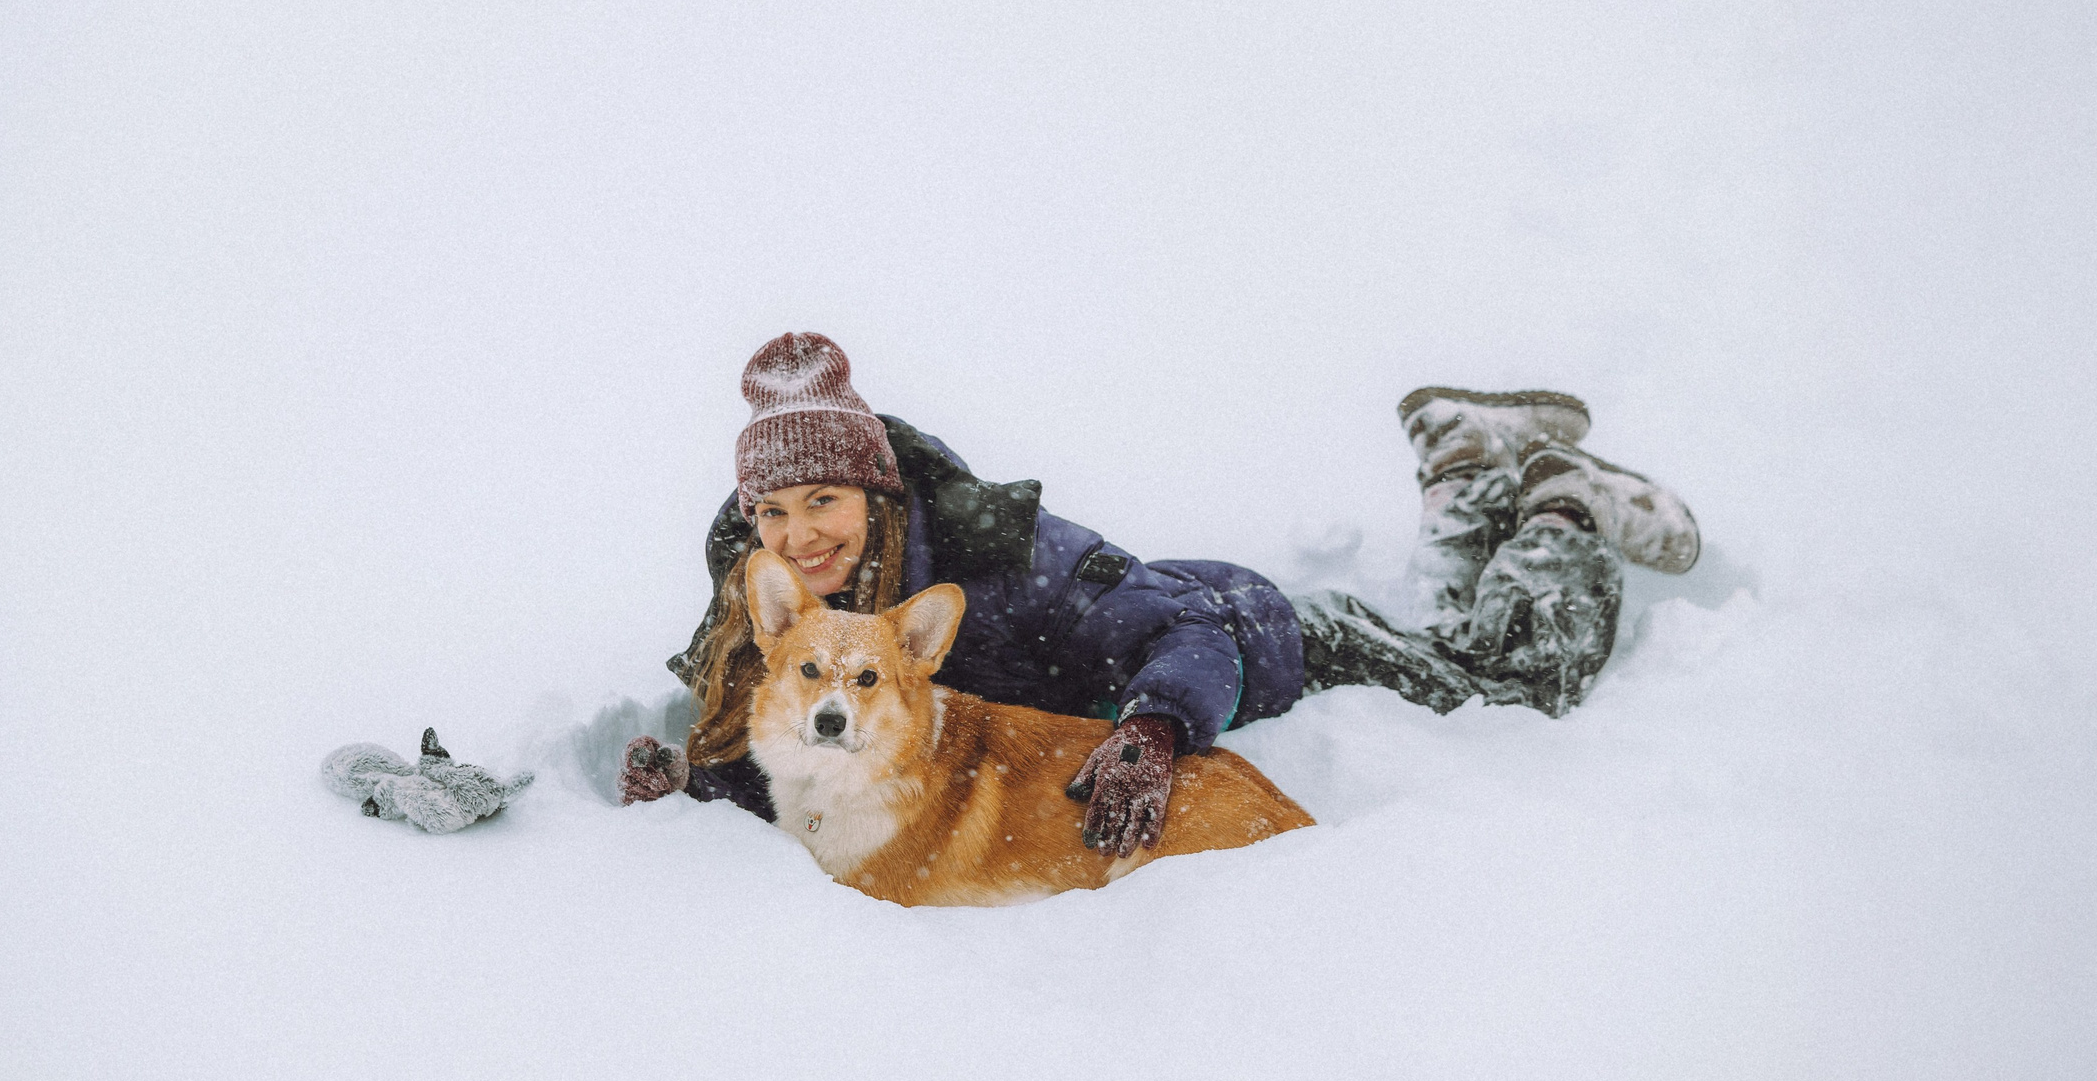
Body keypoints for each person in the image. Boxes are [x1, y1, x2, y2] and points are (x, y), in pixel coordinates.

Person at [618, 333, 1699, 858]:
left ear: (877, 491)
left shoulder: (998, 550)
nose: (800, 534)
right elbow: (794, 738)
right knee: (1439, 628)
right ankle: (1463, 459)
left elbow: (1183, 627)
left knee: (1508, 678)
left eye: (825, 499)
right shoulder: (766, 600)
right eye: (773, 512)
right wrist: (692, 778)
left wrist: (1153, 728)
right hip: (1196, 636)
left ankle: (1560, 506)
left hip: (1249, 640)